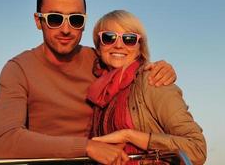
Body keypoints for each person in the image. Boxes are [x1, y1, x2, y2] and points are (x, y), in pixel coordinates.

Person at [0, 0, 177, 164]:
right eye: (55, 19)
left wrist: (161, 69)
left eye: (75, 19)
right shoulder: (18, 70)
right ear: (38, 21)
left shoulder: (101, 61)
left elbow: (134, 69)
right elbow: (5, 142)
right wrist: (86, 147)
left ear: (84, 23)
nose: (66, 29)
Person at [87, 10, 207, 165]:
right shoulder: (97, 90)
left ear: (139, 47)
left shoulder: (153, 80)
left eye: (129, 39)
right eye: (108, 37)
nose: (118, 45)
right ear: (98, 46)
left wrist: (129, 136)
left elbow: (197, 148)